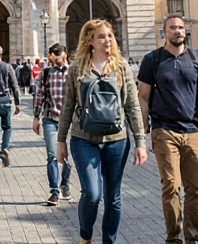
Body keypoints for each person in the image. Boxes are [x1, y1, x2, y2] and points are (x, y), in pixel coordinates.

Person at [57, 19, 147, 244]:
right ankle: (85, 236)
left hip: (117, 140)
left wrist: (140, 141)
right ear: (89, 41)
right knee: (92, 194)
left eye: (109, 36)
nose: (107, 40)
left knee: (113, 197)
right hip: (83, 138)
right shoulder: (77, 67)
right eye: (101, 36)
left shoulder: (121, 66)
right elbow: (68, 106)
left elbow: (133, 105)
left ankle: (110, 241)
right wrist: (61, 141)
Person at [138, 14, 198, 244]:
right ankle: (173, 238)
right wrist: (141, 133)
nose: (178, 31)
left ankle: (193, 238)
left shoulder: (196, 59)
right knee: (171, 186)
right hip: (164, 130)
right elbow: (143, 97)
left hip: (193, 131)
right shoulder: (152, 60)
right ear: (164, 31)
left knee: (194, 189)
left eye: (181, 28)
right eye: (173, 28)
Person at [32, 43, 74, 206]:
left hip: (70, 121)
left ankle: (65, 183)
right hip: (50, 118)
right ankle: (54, 192)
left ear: (64, 54)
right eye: (52, 54)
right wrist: (36, 117)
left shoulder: (73, 72)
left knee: (68, 157)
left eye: (58, 53)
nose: (55, 56)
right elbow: (39, 95)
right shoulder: (46, 73)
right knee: (52, 156)